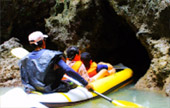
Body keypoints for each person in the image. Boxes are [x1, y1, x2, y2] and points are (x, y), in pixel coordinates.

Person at [18, 31, 93, 93]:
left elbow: (25, 78)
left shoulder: (24, 59)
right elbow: (67, 70)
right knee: (71, 83)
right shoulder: (52, 55)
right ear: (43, 42)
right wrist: (85, 84)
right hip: (50, 88)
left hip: (34, 88)